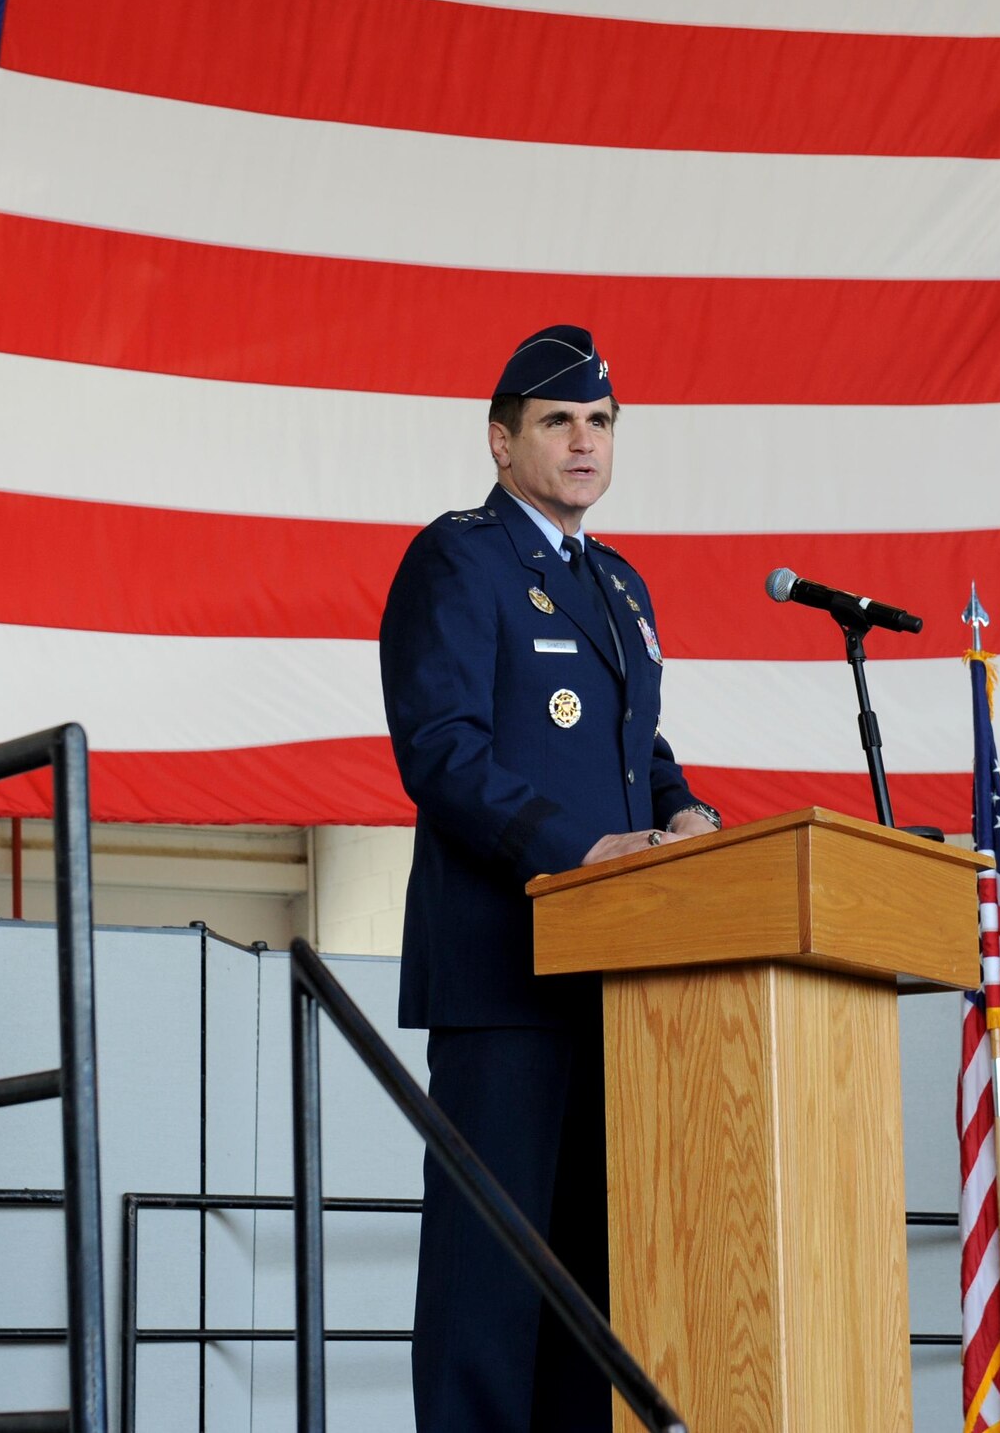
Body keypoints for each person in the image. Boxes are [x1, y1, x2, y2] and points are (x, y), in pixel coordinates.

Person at [379, 325, 722, 1432]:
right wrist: (576, 850)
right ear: (500, 440)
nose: (584, 441)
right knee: (492, 1285)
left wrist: (682, 811)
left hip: (614, 980)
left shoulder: (619, 586)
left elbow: (634, 747)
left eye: (601, 422)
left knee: (592, 1290)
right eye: (558, 421)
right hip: (504, 974)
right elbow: (440, 747)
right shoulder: (460, 557)